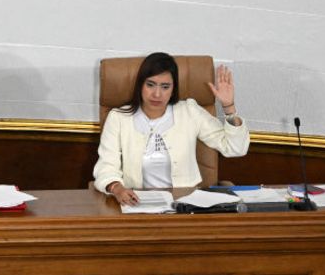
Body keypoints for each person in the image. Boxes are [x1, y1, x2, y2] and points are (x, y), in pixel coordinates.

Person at [93, 52, 250, 205]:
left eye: (165, 86)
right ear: (140, 84)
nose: (157, 94)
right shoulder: (118, 118)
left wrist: (228, 107)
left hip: (185, 205)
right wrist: (117, 188)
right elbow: (106, 166)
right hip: (137, 204)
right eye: (150, 85)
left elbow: (235, 148)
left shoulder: (189, 111)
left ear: (173, 88)